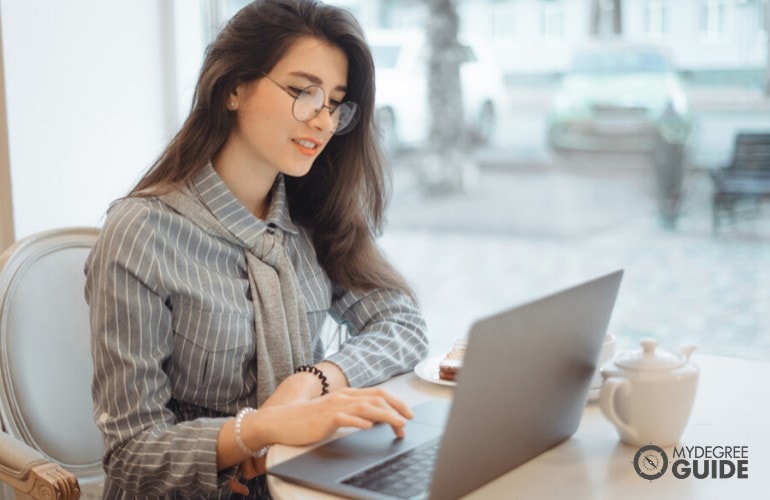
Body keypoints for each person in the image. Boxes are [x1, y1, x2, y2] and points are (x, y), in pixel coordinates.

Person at [84, 0, 429, 498]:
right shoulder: (142, 232)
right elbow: (132, 457)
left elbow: (401, 323)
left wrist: (313, 381)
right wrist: (263, 428)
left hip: (304, 479)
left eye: (334, 102)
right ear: (232, 89)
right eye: (302, 91)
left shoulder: (313, 208)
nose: (323, 121)